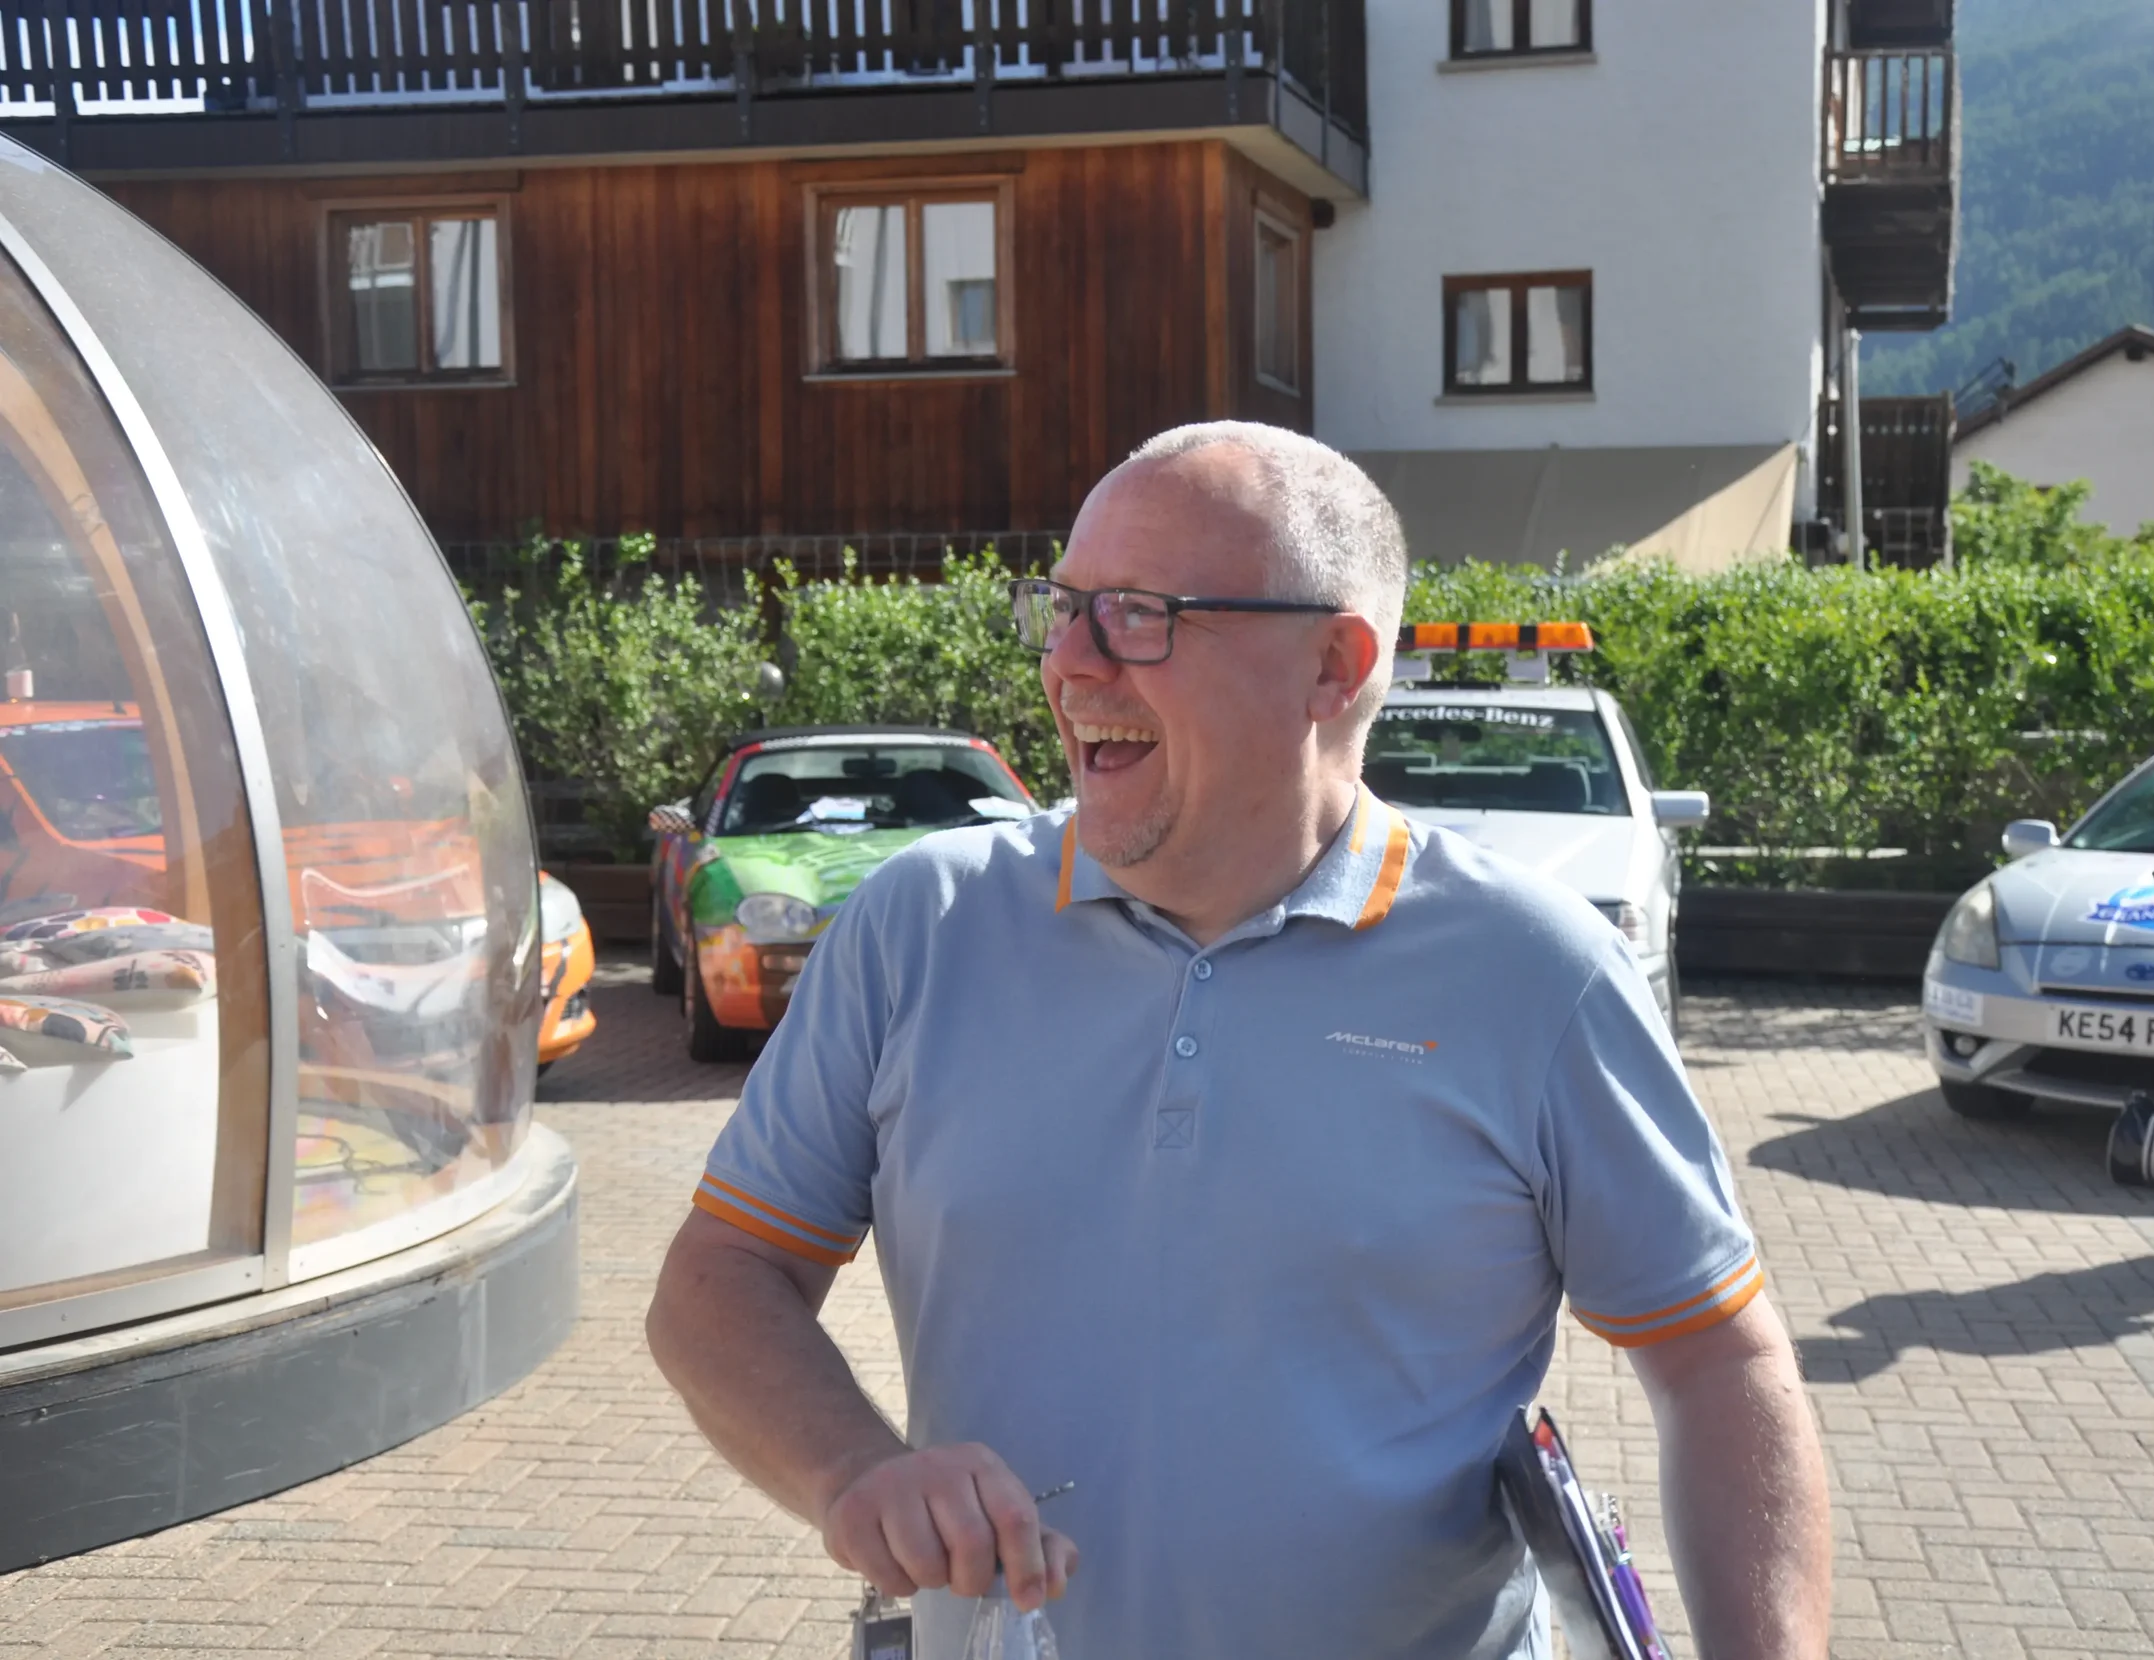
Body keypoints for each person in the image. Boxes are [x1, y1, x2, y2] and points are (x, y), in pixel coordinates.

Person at [645, 421, 1831, 1659]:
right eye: (1062, 609)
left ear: (1335, 663)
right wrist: (850, 1471)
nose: (1071, 665)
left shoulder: (1536, 971)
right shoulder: (920, 927)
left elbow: (1720, 1365)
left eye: (1139, 614)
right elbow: (718, 1279)